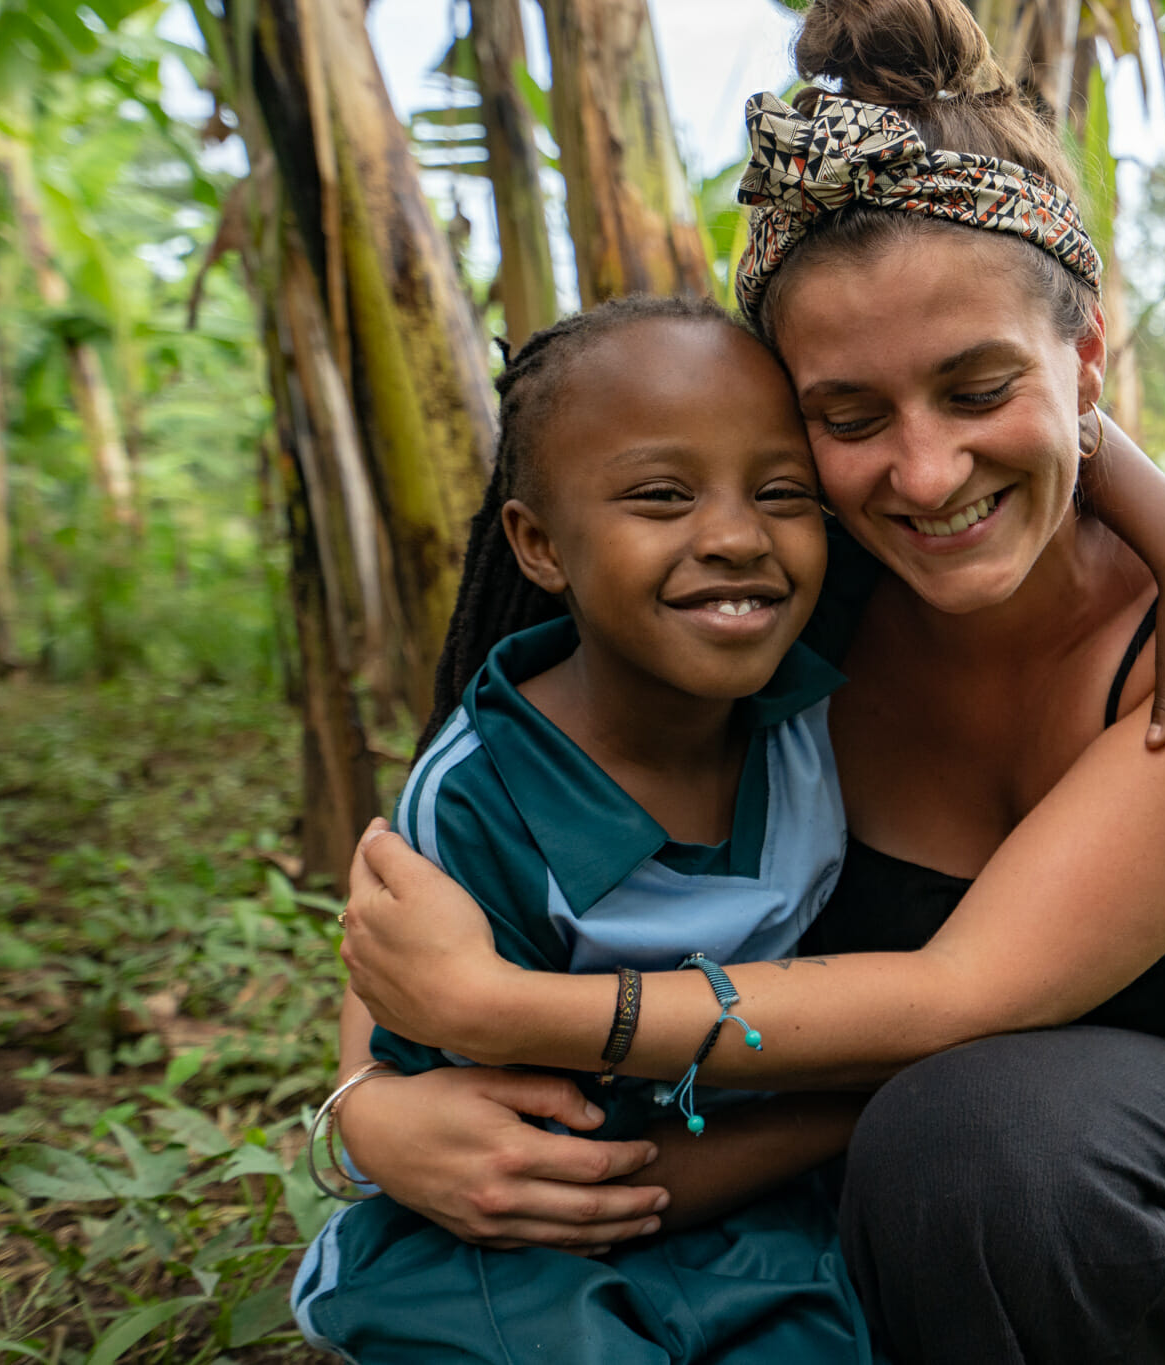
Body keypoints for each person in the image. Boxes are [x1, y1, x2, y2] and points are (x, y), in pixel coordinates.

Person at [335, 1, 1165, 1361]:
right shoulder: (788, 580)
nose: (923, 476)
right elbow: (467, 804)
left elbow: (957, 1002)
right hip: (814, 1153)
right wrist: (367, 1105)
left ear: (1086, 358)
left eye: (979, 389)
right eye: (849, 418)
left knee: (977, 1148)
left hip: (1135, 1152)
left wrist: (507, 1012)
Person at [293, 293, 888, 1360]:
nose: (736, 537)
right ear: (537, 543)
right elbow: (498, 1155)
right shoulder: (481, 802)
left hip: (756, 1204)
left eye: (781, 492)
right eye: (660, 495)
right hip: (528, 1233)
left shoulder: (817, 707)